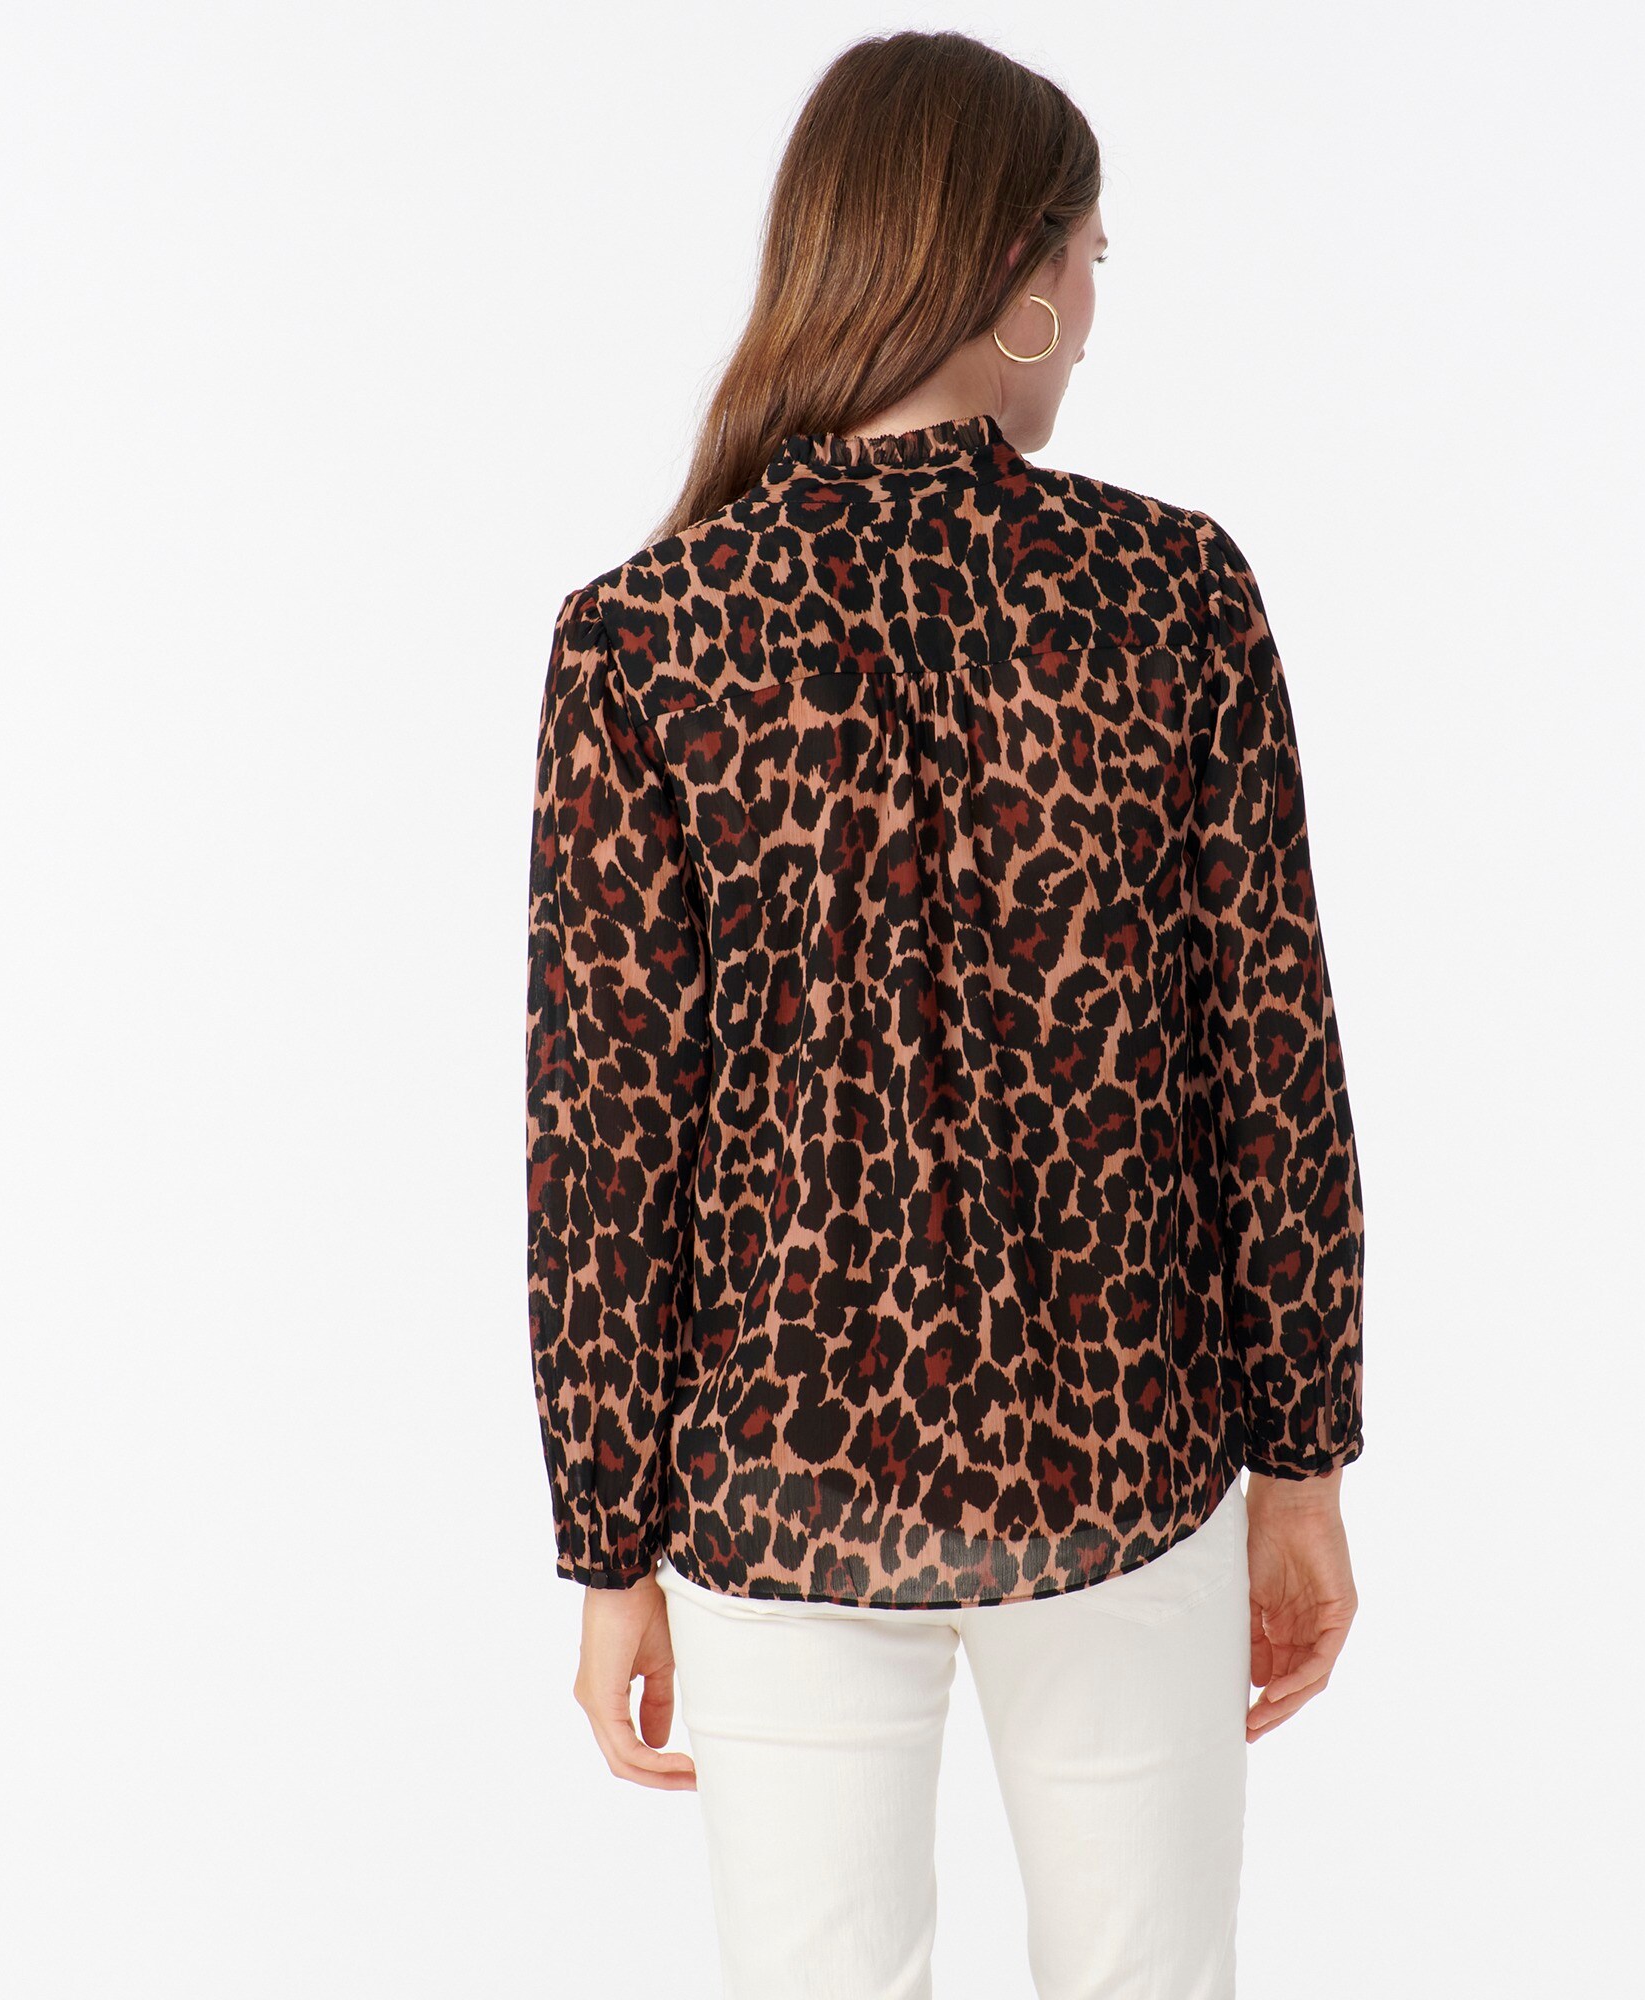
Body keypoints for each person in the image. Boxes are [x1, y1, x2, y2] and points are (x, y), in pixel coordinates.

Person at [523, 28, 1365, 2000]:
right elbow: (1269, 1060)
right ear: (1017, 276)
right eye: (1092, 256)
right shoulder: (1174, 594)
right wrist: (1304, 1464)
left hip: (777, 1483)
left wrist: (609, 1546)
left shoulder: (646, 633)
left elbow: (604, 1138)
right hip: (1128, 1451)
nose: (1094, 307)